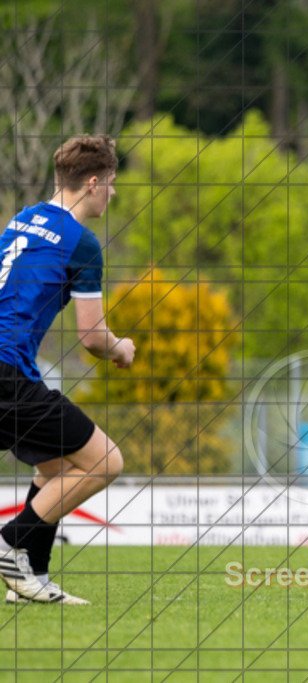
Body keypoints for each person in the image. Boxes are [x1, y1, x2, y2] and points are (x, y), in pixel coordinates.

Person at [0, 135, 135, 604]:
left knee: (59, 466)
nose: (112, 194)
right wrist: (121, 349)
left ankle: (29, 577)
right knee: (104, 462)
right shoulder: (82, 243)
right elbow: (92, 337)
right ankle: (12, 540)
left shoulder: (22, 219)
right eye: (111, 184)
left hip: (12, 372)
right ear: (93, 183)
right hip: (7, 373)